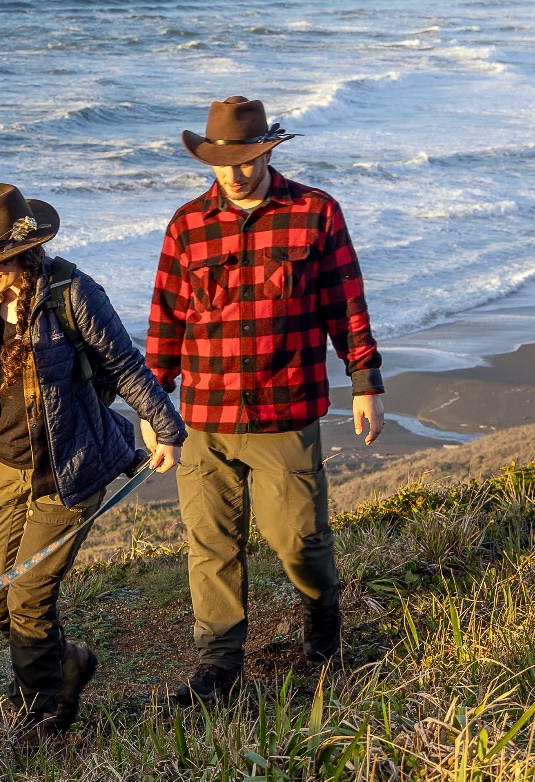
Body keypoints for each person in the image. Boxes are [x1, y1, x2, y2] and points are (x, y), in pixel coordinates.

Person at [146, 97, 386, 707]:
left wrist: (365, 384)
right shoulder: (186, 225)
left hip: (287, 408)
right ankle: (219, 668)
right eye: (224, 162)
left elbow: (345, 304)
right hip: (205, 416)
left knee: (299, 540)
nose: (237, 172)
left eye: (248, 158)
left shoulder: (315, 213)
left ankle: (323, 617)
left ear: (268, 152)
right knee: (211, 545)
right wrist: (154, 409)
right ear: (208, 161)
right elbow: (166, 321)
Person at [0, 182, 187, 739]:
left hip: (65, 472)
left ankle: (43, 712)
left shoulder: (73, 293)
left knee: (27, 600)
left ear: (24, 250)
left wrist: (167, 428)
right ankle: (67, 662)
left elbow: (124, 365)